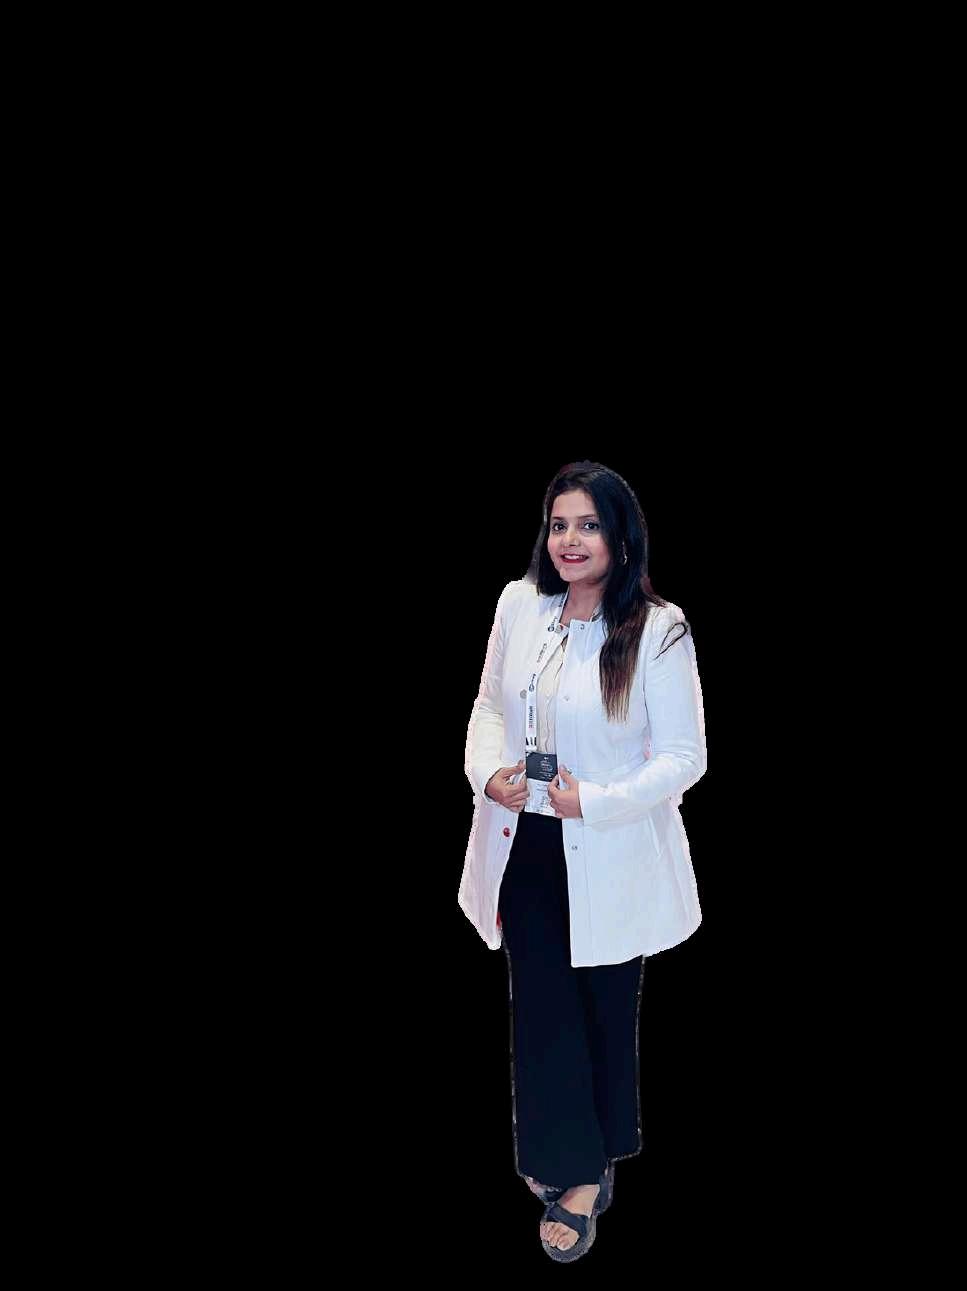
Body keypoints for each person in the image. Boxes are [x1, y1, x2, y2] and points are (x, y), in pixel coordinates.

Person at [459, 460, 707, 1261]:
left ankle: (595, 1159)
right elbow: (487, 706)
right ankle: (565, 1162)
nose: (569, 540)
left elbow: (684, 757)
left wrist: (592, 801)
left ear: (619, 537)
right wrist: (486, 772)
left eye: (588, 525)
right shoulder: (518, 603)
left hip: (606, 844)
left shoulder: (658, 628)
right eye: (559, 524)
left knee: (602, 1002)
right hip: (526, 839)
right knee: (541, 1005)